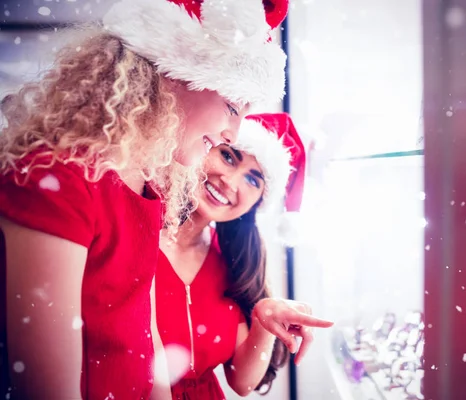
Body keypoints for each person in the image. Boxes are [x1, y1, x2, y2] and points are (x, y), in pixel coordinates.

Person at [0, 0, 289, 398]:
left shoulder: (148, 191)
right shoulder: (57, 179)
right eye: (231, 107)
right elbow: (46, 388)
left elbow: (143, 335)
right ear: (172, 74)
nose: (233, 134)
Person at [155, 113, 333, 399]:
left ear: (258, 201)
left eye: (253, 179)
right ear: (203, 147)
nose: (230, 182)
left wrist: (264, 320)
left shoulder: (233, 261)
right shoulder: (138, 234)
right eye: (228, 157)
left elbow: (241, 383)